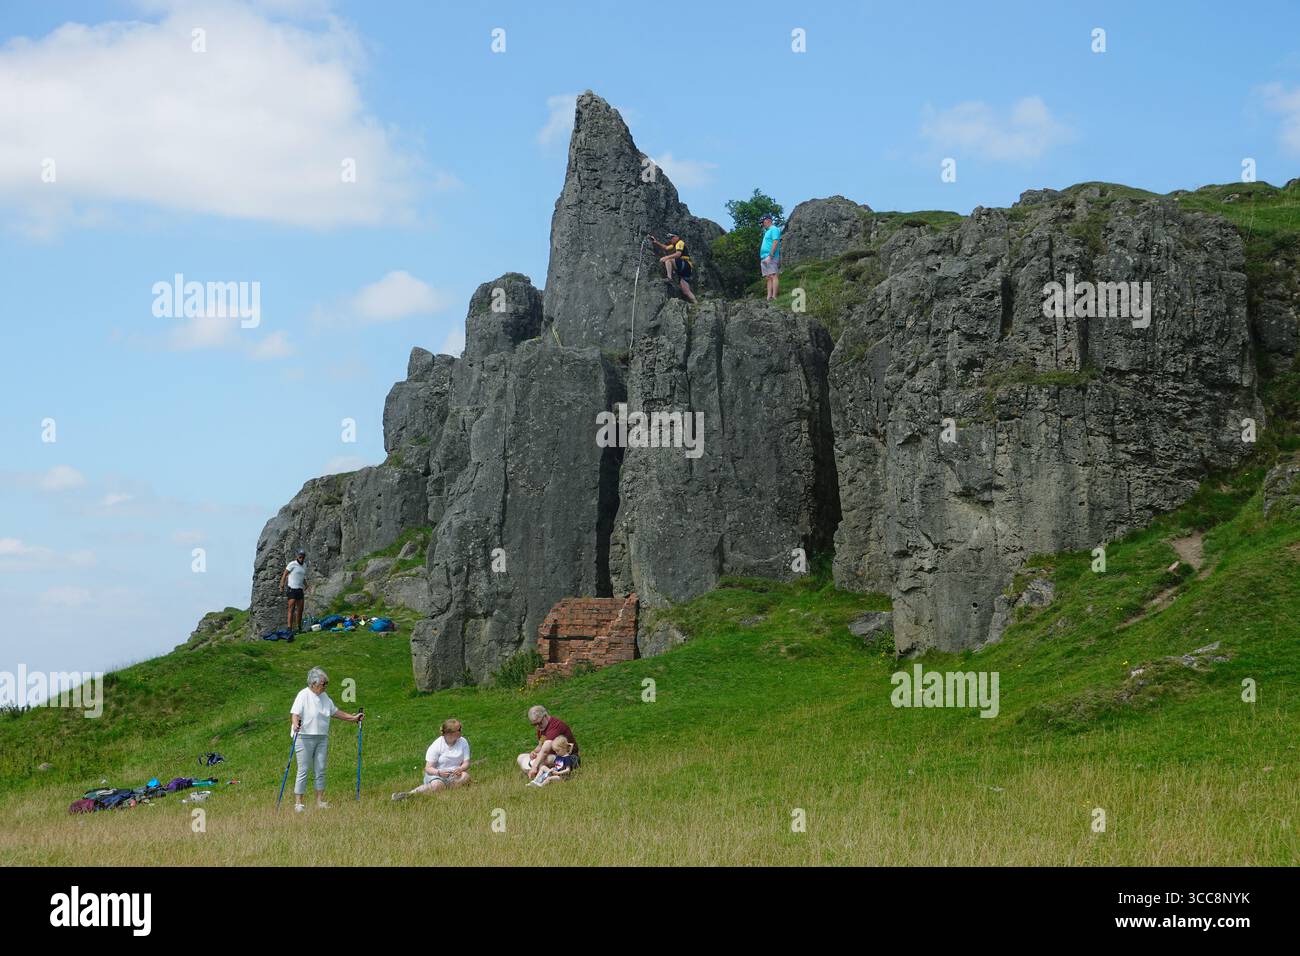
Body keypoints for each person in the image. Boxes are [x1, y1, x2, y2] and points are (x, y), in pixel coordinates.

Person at [288, 667, 363, 812]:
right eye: (323, 684)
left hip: (321, 737)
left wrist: (353, 718)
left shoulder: (324, 697)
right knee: (303, 769)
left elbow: (335, 712)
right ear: (313, 683)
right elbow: (295, 713)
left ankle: (320, 801)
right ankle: (298, 803)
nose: (325, 686)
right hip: (304, 737)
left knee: (321, 768)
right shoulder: (303, 695)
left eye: (326, 683)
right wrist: (296, 723)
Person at [392, 718, 471, 800]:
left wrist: (460, 768)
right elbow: (428, 768)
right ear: (450, 733)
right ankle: (410, 794)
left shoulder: (463, 742)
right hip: (436, 774)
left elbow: (466, 762)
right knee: (437, 784)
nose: (461, 730)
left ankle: (445, 789)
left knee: (465, 776)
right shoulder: (437, 745)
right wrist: (439, 772)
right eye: (459, 729)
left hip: (454, 775)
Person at [516, 705, 579, 780]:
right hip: (553, 756)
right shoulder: (542, 728)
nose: (537, 727)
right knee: (520, 757)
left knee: (545, 759)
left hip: (568, 758)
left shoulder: (555, 726)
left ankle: (540, 775)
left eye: (539, 723)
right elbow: (540, 746)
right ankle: (543, 774)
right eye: (534, 725)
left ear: (545, 716)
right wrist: (534, 752)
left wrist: (534, 766)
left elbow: (545, 751)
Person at [649, 232, 697, 304]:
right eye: (670, 238)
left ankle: (669, 278)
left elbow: (678, 254)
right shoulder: (674, 244)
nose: (671, 240)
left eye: (672, 237)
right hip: (685, 269)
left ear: (677, 237)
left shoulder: (680, 242)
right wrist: (656, 242)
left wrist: (666, 257)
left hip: (685, 265)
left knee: (668, 260)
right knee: (686, 290)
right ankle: (696, 302)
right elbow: (666, 247)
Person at [280, 550, 308, 632]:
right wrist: (281, 585)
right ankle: (289, 628)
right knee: (291, 608)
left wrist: (306, 585)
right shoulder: (292, 564)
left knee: (300, 609)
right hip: (292, 589)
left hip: (300, 589)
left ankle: (299, 627)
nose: (301, 559)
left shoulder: (304, 566)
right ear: (297, 556)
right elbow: (285, 574)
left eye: (303, 557)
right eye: (300, 557)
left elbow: (302, 577)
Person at [759, 212, 783, 300]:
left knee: (773, 275)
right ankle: (768, 297)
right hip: (764, 257)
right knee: (768, 277)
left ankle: (774, 296)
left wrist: (771, 255)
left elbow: (775, 241)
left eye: (763, 222)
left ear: (768, 220)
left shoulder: (774, 229)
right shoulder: (767, 231)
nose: (762, 224)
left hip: (770, 256)